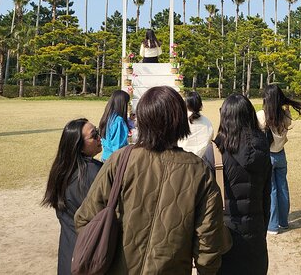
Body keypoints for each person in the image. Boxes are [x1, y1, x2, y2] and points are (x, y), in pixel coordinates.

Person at [75, 86, 231, 274]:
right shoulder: (199, 171)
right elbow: (208, 242)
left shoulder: (120, 159)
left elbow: (85, 218)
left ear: (141, 120)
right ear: (180, 121)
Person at [203, 93, 272, 275]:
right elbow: (266, 198)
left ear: (224, 117)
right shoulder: (263, 149)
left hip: (225, 238)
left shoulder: (214, 153)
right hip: (255, 236)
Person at [42, 118, 102, 275]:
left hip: (68, 252)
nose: (99, 138)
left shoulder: (60, 172)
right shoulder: (94, 172)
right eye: (94, 135)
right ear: (78, 146)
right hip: (90, 255)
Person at [256, 84, 301, 235]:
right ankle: (283, 222)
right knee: (283, 188)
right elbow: (289, 122)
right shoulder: (285, 115)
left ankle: (272, 226)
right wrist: (286, 107)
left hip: (268, 155)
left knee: (271, 190)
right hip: (281, 154)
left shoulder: (261, 115)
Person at [178, 91, 214, 158]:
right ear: (200, 105)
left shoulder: (180, 121)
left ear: (185, 104)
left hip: (181, 160)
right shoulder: (208, 123)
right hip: (201, 162)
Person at [100, 90, 131, 162]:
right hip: (115, 160)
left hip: (105, 156)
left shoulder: (108, 117)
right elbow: (117, 146)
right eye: (127, 103)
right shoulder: (118, 121)